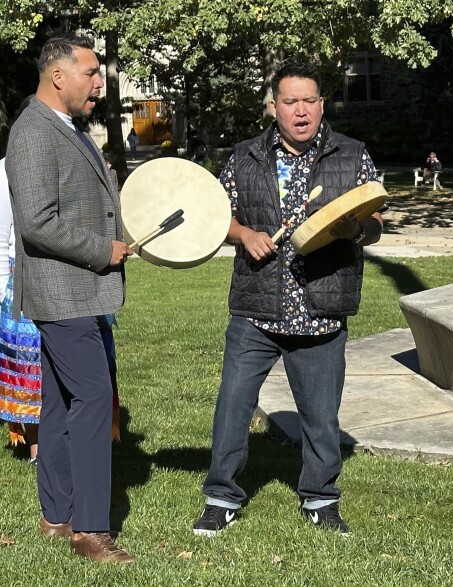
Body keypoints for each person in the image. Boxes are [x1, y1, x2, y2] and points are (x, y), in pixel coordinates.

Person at [192, 60, 383, 537]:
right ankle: (221, 497)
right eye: (291, 102)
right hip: (257, 309)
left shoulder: (352, 155)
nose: (301, 111)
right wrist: (245, 234)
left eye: (310, 101)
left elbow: (376, 224)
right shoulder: (245, 156)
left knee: (321, 417)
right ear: (274, 106)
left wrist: (353, 228)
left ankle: (320, 498)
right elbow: (217, 216)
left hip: (321, 310)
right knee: (233, 407)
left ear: (322, 105)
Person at [6, 32, 135, 563]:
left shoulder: (67, 127)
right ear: (58, 75)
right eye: (90, 72)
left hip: (77, 290)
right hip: (62, 290)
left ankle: (57, 516)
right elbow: (36, 225)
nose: (99, 82)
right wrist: (103, 250)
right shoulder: (32, 131)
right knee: (93, 399)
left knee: (58, 404)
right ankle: (91, 530)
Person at [0, 156, 42, 463]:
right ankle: (37, 447)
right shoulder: (5, 169)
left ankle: (67, 442)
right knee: (27, 362)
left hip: (61, 272)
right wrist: (2, 286)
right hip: (19, 273)